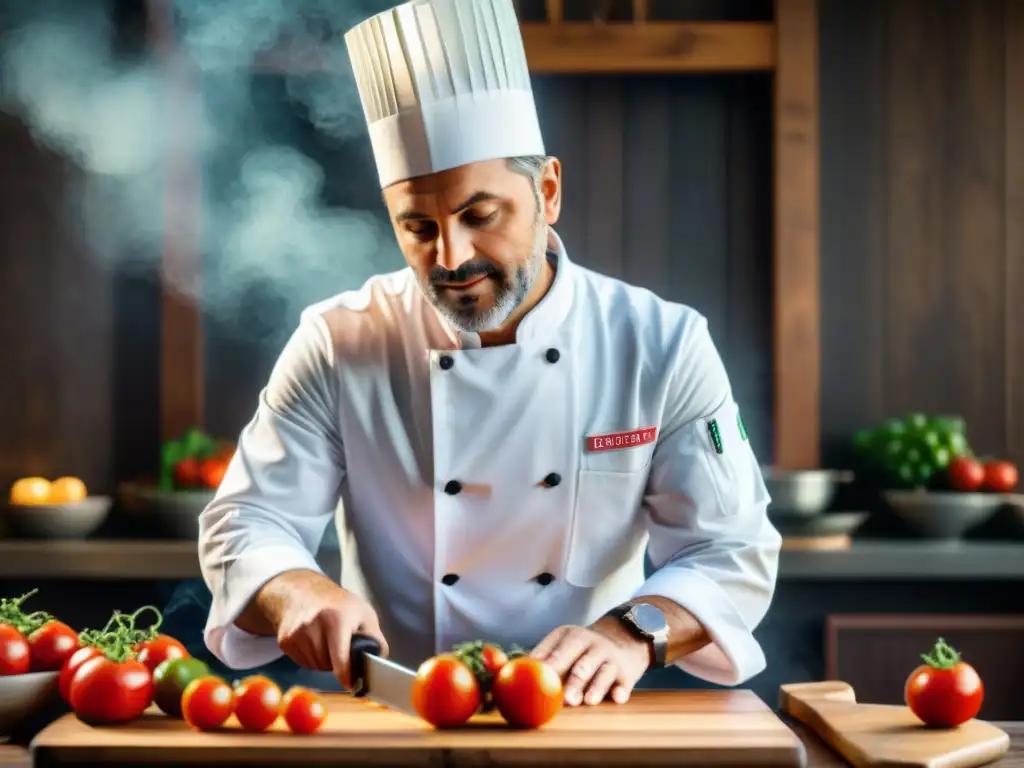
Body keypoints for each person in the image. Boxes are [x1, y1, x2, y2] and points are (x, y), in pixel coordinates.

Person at [199, 0, 781, 708]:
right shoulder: (338, 342)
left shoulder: (661, 344)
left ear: (548, 192)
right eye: (418, 226)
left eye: (481, 216)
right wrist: (298, 591)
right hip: (399, 717)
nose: (451, 256)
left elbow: (733, 550)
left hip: (582, 719)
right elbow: (247, 522)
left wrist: (632, 634)